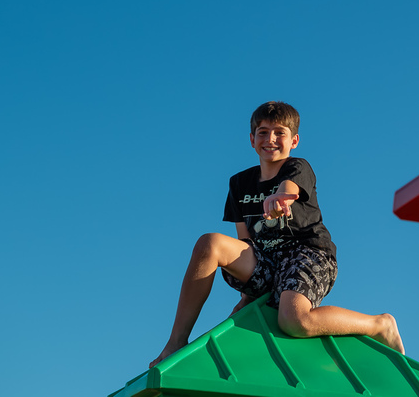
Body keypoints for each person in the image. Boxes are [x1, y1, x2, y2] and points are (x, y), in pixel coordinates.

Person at [149, 101, 404, 368]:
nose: (270, 139)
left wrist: (281, 196)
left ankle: (379, 324)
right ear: (251, 139)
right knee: (209, 243)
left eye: (279, 132)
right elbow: (245, 241)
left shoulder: (298, 167)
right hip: (267, 262)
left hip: (308, 255)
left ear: (294, 140)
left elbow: (290, 187)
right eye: (263, 132)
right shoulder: (238, 183)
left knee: (294, 321)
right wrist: (247, 295)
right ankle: (176, 341)